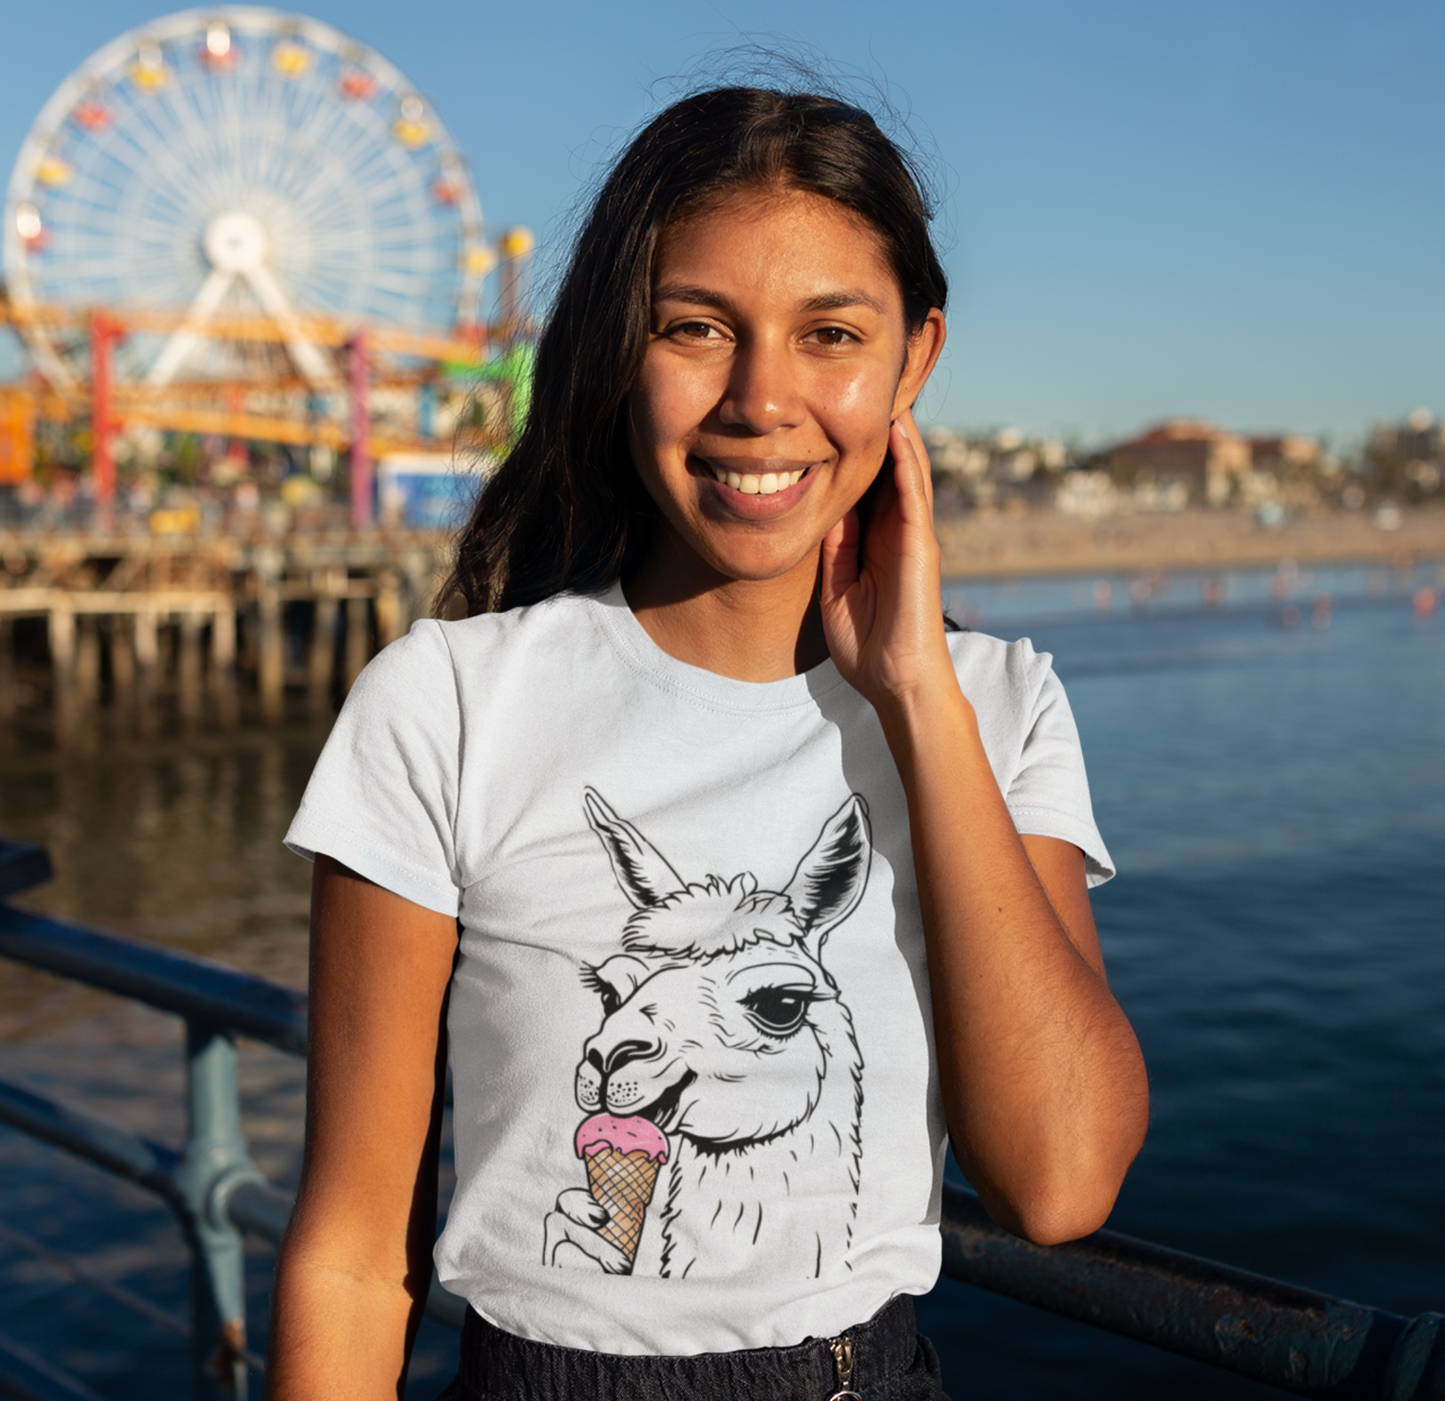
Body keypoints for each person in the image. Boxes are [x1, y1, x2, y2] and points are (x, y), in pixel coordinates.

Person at [267, 86, 1150, 1401]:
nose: (761, 399)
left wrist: (917, 696)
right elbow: (350, 1251)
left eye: (831, 334)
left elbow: (1060, 1178)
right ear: (619, 346)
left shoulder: (994, 707)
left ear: (915, 359)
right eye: (696, 328)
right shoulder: (447, 704)